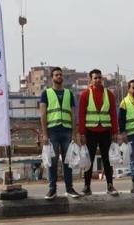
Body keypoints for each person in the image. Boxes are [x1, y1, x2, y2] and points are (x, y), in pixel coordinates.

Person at [40, 67, 79, 200]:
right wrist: (45, 134)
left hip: (67, 131)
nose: (59, 77)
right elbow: (43, 114)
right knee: (53, 161)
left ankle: (69, 188)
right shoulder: (46, 93)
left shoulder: (69, 93)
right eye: (56, 75)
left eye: (60, 75)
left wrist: (75, 133)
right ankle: (52, 189)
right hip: (53, 131)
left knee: (68, 161)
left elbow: (73, 114)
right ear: (52, 78)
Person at [78, 69, 119, 196]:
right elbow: (81, 115)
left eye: (99, 78)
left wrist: (115, 132)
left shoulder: (109, 94)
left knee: (107, 160)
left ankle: (110, 185)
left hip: (106, 131)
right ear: (90, 79)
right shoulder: (85, 94)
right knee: (88, 160)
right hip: (90, 132)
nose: (97, 80)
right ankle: (87, 186)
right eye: (95, 78)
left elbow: (113, 113)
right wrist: (82, 133)